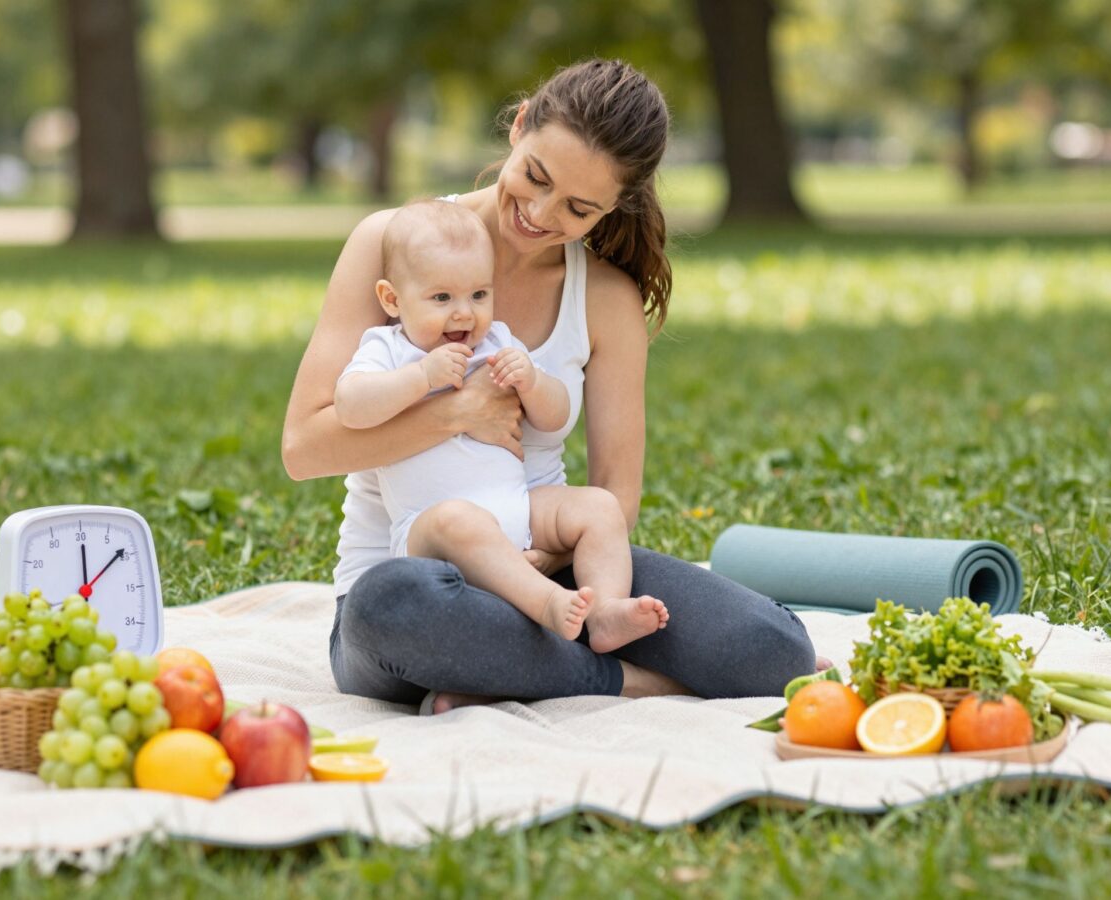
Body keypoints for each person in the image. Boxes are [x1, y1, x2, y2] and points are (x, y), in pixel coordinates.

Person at [283, 58, 817, 714]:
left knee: (773, 650)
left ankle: (507, 672)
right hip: (416, 579)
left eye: (577, 207)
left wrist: (534, 570)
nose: (538, 213)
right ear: (521, 125)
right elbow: (303, 448)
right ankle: (623, 683)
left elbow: (615, 494)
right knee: (393, 608)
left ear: (613, 206)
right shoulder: (393, 244)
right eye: (536, 176)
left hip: (550, 573)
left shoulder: (604, 299)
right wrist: (456, 414)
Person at [334, 198, 669, 647]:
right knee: (459, 520)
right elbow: (350, 405)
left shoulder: (497, 340)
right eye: (441, 298)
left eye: (479, 295)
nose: (464, 313)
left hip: (520, 510)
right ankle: (548, 603)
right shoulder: (389, 349)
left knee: (599, 508)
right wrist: (420, 378)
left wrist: (532, 382)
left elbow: (557, 417)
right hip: (432, 530)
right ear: (392, 299)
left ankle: (605, 612)